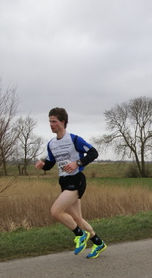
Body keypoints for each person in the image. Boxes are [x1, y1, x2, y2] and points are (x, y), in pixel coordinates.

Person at [35, 107, 107, 258]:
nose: (51, 124)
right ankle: (98, 243)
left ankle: (80, 235)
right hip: (63, 181)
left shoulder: (74, 139)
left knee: (55, 212)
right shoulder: (51, 144)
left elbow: (94, 153)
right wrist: (43, 165)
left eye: (54, 121)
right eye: (49, 122)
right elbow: (50, 163)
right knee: (77, 219)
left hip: (76, 179)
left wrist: (77, 163)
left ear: (63, 122)